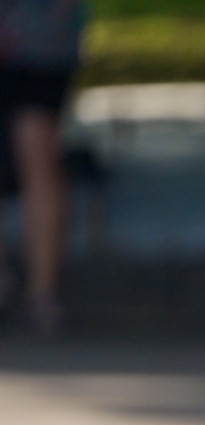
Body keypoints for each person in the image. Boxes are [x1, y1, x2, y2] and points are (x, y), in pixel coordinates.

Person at [0, 0, 84, 337]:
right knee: (39, 159)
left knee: (38, 156)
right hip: (46, 38)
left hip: (41, 41)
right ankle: (41, 295)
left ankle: (40, 292)